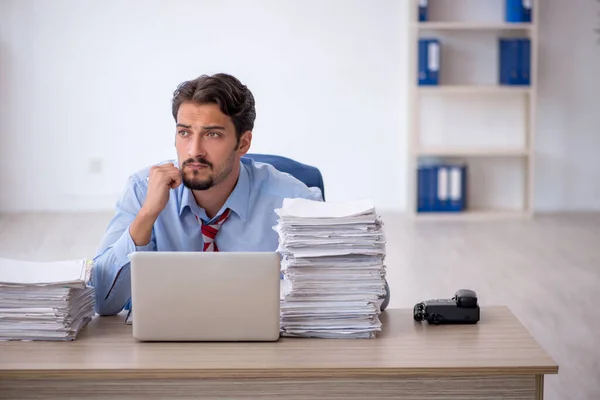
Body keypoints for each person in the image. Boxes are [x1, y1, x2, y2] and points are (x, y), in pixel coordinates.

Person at [91, 73, 323, 316]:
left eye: (212, 134)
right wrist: (147, 215)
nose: (194, 150)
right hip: (163, 347)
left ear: (243, 143)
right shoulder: (143, 189)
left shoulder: (295, 201)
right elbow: (102, 302)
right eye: (184, 133)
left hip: (263, 346)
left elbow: (326, 297)